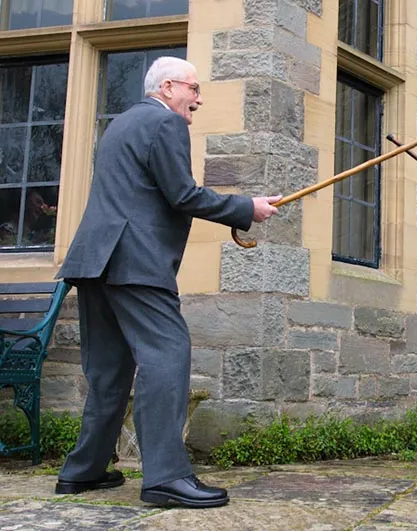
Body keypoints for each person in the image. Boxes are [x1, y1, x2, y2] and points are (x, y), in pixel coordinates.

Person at [54, 57, 281, 509]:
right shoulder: (165, 123)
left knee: (109, 371)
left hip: (95, 260)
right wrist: (246, 208)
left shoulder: (119, 124)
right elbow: (182, 194)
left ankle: (83, 471)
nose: (198, 99)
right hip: (136, 261)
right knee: (167, 354)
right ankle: (166, 478)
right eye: (194, 89)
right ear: (168, 87)